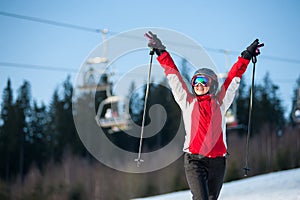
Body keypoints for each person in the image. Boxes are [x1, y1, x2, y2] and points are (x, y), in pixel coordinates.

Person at [145, 31, 262, 200]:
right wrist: (161, 51)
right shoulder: (188, 101)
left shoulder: (221, 102)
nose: (199, 85)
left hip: (218, 163)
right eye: (196, 82)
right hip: (195, 161)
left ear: (212, 84)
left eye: (204, 82)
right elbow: (174, 76)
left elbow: (233, 78)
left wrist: (246, 55)